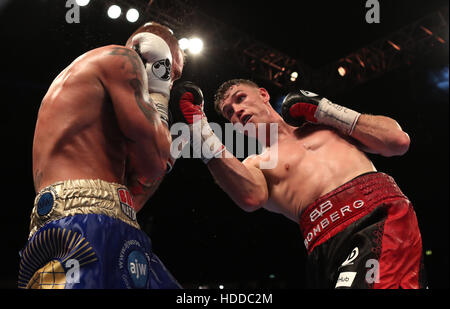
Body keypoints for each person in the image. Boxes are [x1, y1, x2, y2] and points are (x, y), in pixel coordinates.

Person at [169, 79, 427, 289]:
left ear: (263, 94)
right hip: (321, 247)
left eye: (240, 98)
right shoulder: (256, 164)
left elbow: (397, 141)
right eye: (229, 113)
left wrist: (327, 109)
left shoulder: (325, 126)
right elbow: (250, 198)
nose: (236, 110)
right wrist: (200, 132)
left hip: (377, 217)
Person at [18, 22, 184, 289]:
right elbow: (154, 162)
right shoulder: (122, 60)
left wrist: (165, 158)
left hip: (83, 218)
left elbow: (133, 198)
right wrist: (161, 99)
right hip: (86, 226)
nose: (170, 82)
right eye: (171, 72)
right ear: (159, 56)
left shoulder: (94, 91)